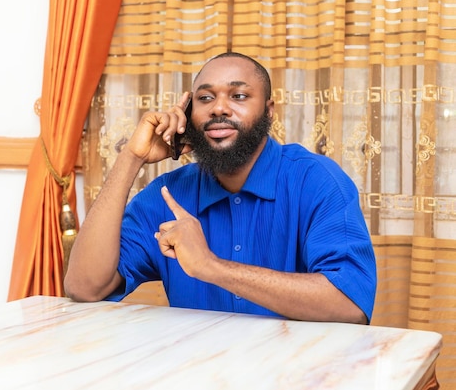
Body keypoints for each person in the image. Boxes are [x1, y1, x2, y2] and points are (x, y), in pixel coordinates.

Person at [64, 52, 377, 324]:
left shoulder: (318, 181)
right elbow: (84, 287)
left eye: (239, 96)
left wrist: (211, 267)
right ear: (188, 114)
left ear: (269, 111)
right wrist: (132, 158)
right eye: (205, 98)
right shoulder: (167, 195)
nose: (219, 108)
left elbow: (350, 304)